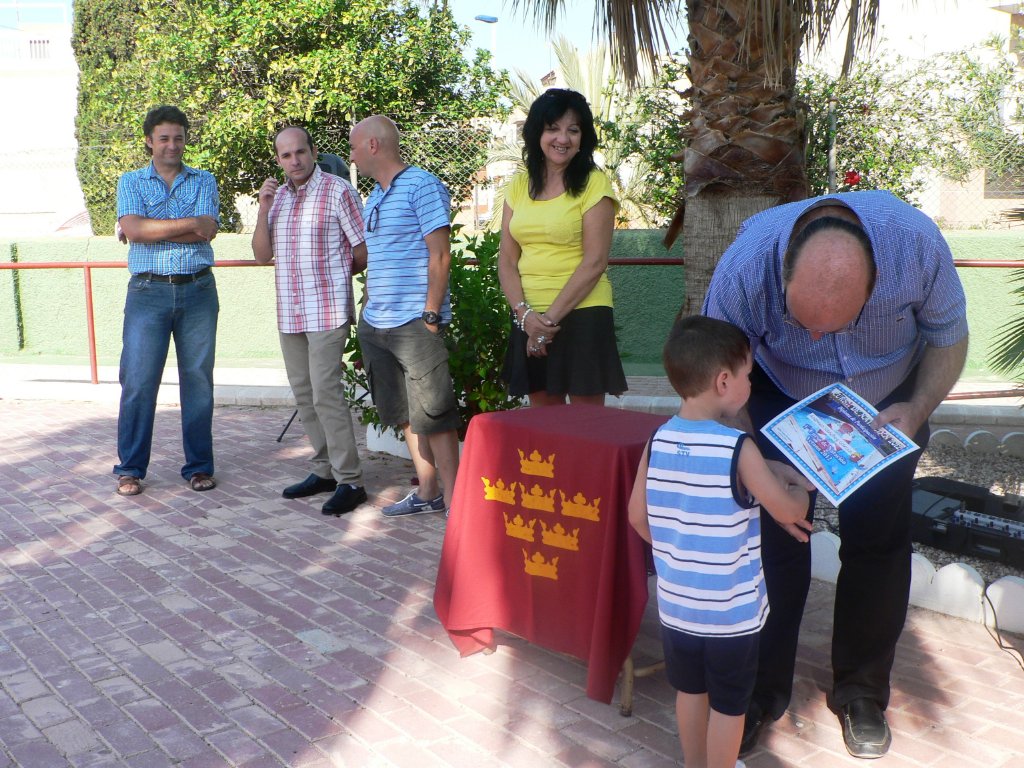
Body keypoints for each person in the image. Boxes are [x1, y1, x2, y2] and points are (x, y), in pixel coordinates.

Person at [703, 191, 969, 758]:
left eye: (841, 323)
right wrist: (753, 458)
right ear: (783, 278)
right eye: (805, 323)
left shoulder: (917, 245)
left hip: (888, 400)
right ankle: (760, 693)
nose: (821, 341)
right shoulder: (746, 265)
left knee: (878, 545)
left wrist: (919, 406)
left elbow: (949, 336)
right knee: (772, 542)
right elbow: (717, 371)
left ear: (875, 286)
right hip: (778, 394)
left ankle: (862, 693)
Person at [628, 315, 812, 768]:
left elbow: (637, 516)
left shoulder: (657, 439)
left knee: (690, 692)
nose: (750, 384)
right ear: (724, 381)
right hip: (730, 615)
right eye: (748, 375)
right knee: (730, 705)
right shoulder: (737, 447)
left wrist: (676, 553)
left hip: (677, 606)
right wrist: (802, 492)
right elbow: (786, 510)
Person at [251, 126, 369, 516]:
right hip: (290, 311)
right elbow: (261, 255)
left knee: (325, 393)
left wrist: (335, 277)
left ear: (313, 151)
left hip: (327, 309)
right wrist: (263, 208)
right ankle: (324, 470)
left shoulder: (338, 191)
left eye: (300, 152)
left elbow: (362, 249)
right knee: (304, 394)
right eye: (286, 155)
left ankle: (350, 479)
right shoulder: (278, 199)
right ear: (278, 160)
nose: (295, 160)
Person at [348, 115, 460, 517]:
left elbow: (440, 254)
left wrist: (430, 315)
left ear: (373, 145)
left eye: (354, 147)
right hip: (377, 324)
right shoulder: (375, 196)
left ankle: (458, 504)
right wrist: (367, 312)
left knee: (436, 413)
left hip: (414, 322)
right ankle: (429, 492)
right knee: (405, 414)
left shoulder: (422, 185)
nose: (351, 156)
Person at [113, 105, 220, 497]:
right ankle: (130, 469)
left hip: (198, 291)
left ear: (185, 139)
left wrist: (153, 228)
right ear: (149, 141)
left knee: (198, 382)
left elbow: (208, 231)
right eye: (164, 138)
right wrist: (190, 224)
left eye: (178, 137)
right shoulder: (130, 181)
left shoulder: (205, 180)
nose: (172, 145)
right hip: (147, 292)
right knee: (138, 381)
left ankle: (199, 467)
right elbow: (134, 230)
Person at [497, 88, 627, 406]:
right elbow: (507, 260)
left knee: (586, 425)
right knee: (543, 425)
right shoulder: (518, 185)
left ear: (584, 138)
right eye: (552, 128)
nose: (563, 138)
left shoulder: (595, 183)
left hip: (583, 312)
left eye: (573, 130)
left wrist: (546, 323)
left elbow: (595, 262)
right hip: (528, 316)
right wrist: (525, 316)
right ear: (537, 134)